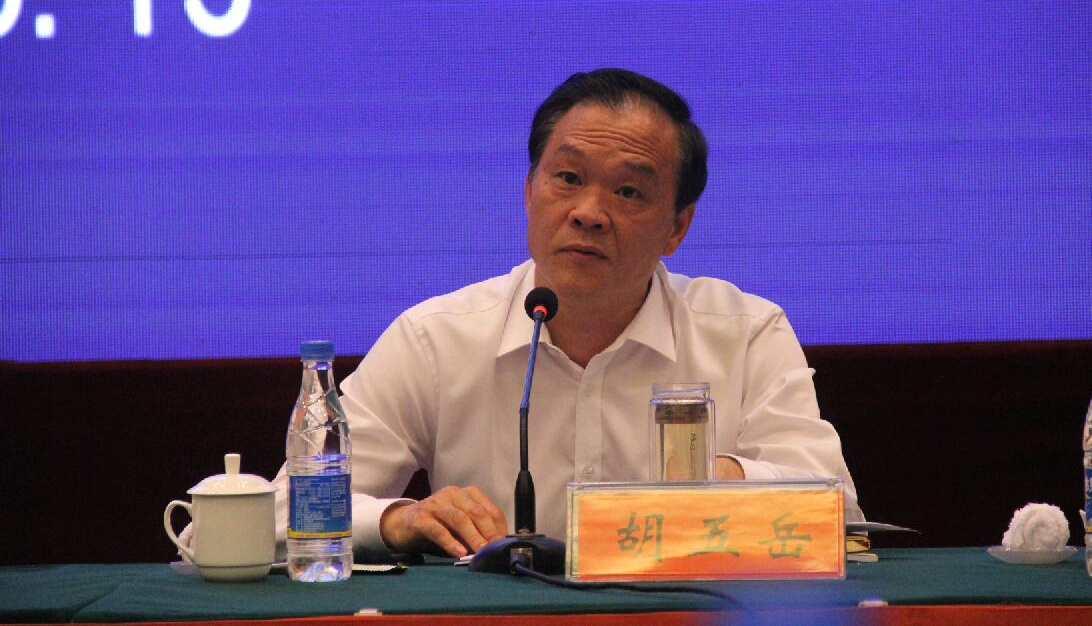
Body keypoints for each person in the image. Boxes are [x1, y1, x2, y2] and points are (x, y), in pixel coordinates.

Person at [273, 68, 862, 559]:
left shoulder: (746, 334)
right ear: (530, 191)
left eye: (628, 192)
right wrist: (399, 519)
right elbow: (281, 510)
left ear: (677, 228)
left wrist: (719, 481)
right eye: (568, 178)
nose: (589, 212)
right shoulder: (436, 339)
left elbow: (840, 513)